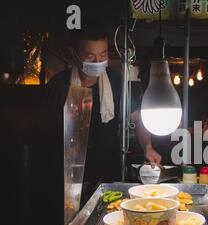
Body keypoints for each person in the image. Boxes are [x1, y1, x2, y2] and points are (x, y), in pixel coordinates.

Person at [46, 22, 161, 192]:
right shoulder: (59, 85)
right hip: (67, 177)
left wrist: (148, 147)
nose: (97, 61)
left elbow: (137, 118)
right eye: (90, 56)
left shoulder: (117, 82)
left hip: (107, 174)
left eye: (103, 55)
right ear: (74, 54)